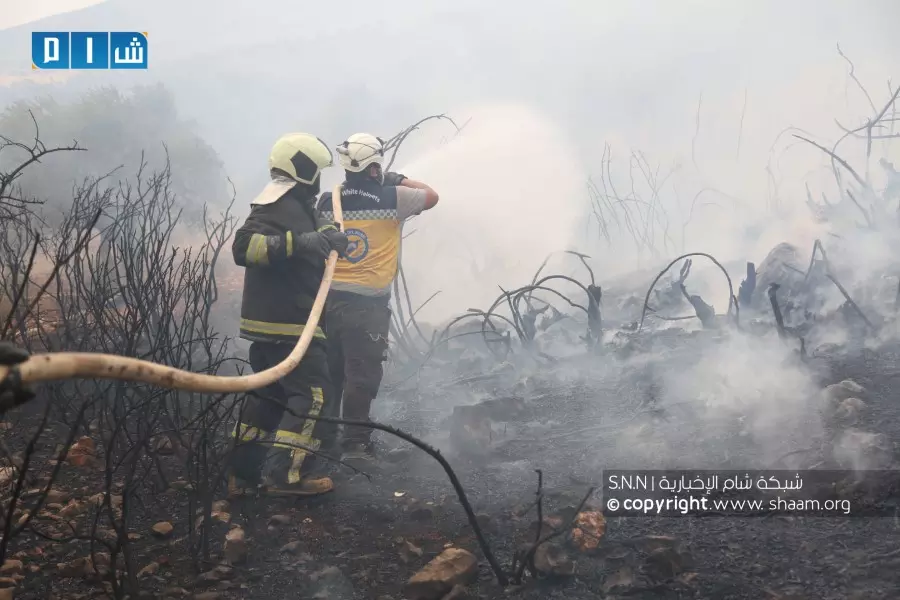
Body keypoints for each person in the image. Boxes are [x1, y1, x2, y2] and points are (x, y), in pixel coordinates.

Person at [229, 132, 349, 497]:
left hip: (277, 323)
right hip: (289, 323)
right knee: (313, 396)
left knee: (269, 396)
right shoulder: (273, 207)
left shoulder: (297, 203)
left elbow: (317, 226)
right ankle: (286, 476)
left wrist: (331, 236)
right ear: (304, 168)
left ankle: (241, 475)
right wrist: (302, 244)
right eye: (316, 171)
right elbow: (244, 248)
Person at [317, 133, 439, 459]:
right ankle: (355, 444)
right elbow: (431, 195)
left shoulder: (328, 201)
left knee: (332, 370)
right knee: (362, 373)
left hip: (328, 303)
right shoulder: (392, 197)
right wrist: (396, 178)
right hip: (366, 306)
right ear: (374, 167)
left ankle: (322, 437)